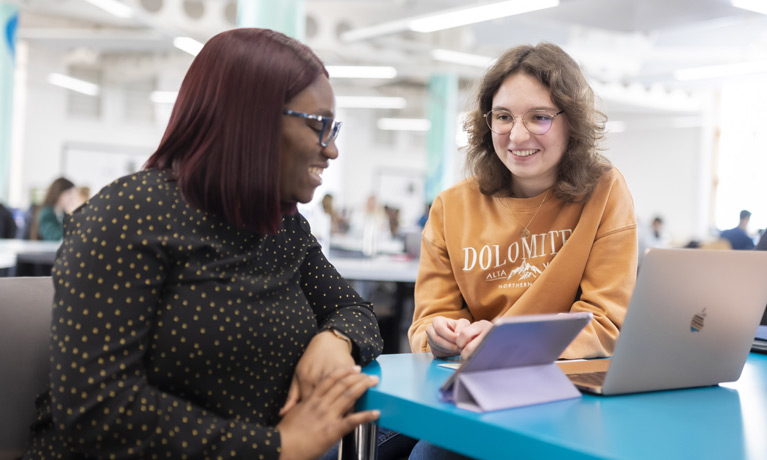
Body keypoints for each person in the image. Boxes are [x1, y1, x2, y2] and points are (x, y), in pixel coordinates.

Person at [23, 28, 385, 460]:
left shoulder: (281, 226)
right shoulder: (130, 214)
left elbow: (356, 311)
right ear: (253, 120)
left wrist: (335, 338)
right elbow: (96, 410)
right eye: (320, 125)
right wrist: (278, 447)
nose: (333, 150)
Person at [408, 42, 638, 460]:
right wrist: (441, 335)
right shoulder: (451, 207)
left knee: (431, 455)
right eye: (503, 117)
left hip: (560, 396)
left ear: (573, 123)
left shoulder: (605, 191)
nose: (517, 135)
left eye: (539, 117)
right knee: (340, 444)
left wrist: (508, 342)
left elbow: (608, 325)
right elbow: (427, 323)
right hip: (462, 387)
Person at [28, 177, 84, 241]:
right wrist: (71, 216)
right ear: (60, 193)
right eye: (70, 195)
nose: (72, 199)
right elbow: (54, 237)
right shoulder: (46, 213)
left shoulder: (62, 213)